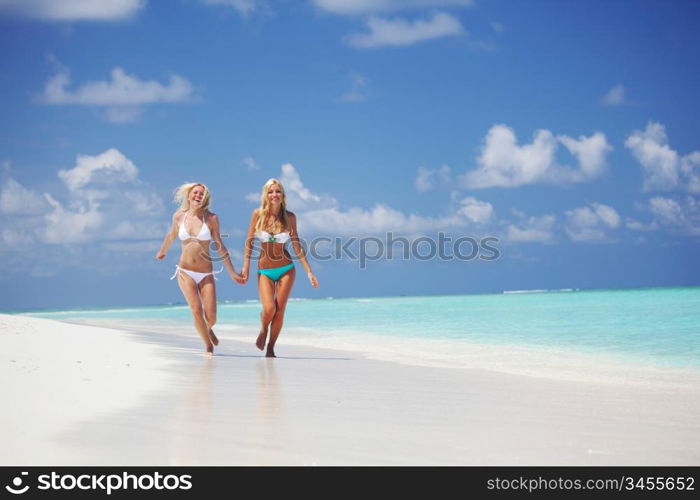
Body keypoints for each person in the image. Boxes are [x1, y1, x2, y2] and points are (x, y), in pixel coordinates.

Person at [156, 182, 244, 356]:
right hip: (185, 271)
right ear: (189, 196)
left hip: (205, 273)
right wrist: (162, 251)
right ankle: (208, 345)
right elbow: (172, 235)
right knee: (196, 309)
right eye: (195, 193)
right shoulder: (178, 217)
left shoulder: (211, 218)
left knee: (211, 317)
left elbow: (220, 245)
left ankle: (207, 328)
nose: (198, 196)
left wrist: (232, 272)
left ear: (206, 199)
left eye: (202, 194)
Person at [241, 178, 319, 357]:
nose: (274, 195)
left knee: (279, 311)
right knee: (269, 309)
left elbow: (296, 246)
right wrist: (245, 266)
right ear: (265, 195)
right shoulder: (257, 214)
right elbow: (249, 242)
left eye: (277, 191)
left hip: (286, 269)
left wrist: (309, 272)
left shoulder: (290, 217)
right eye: (270, 191)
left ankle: (270, 347)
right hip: (264, 270)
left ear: (283, 195)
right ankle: (263, 329)